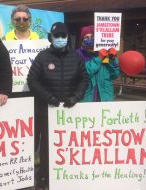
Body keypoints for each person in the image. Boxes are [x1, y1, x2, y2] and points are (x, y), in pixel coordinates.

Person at [27, 22, 88, 190]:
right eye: (57, 36)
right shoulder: (43, 57)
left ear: (68, 38)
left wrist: (76, 97)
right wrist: (48, 98)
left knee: (68, 147)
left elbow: (84, 79)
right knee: (47, 148)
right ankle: (43, 178)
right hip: (48, 111)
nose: (60, 39)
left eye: (63, 36)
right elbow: (32, 80)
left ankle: (67, 177)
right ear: (51, 38)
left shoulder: (76, 57)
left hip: (69, 111)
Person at [76, 25, 120, 102]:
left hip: (105, 97)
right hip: (87, 98)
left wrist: (112, 60)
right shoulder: (78, 54)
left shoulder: (105, 52)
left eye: (92, 37)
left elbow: (115, 75)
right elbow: (83, 74)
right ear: (82, 39)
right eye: (86, 37)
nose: (90, 39)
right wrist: (99, 58)